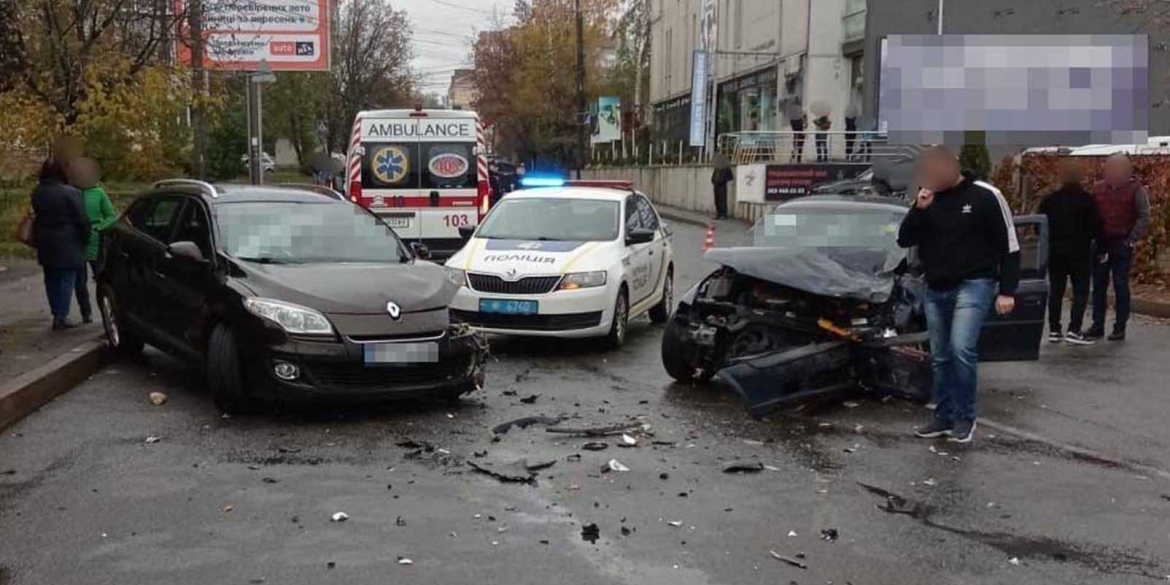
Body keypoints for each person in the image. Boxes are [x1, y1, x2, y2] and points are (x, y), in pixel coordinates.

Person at [897, 146, 1020, 444]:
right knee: (940, 356)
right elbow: (904, 239)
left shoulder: (985, 195)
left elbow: (1010, 245)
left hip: (975, 283)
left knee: (961, 348)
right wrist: (918, 209)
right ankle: (943, 415)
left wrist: (1007, 290)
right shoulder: (929, 199)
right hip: (936, 285)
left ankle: (965, 417)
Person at [1086, 153, 1151, 341]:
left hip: (1122, 243)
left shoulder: (1136, 189)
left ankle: (1119, 327)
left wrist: (1131, 239)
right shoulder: (1097, 189)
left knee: (1120, 285)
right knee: (1098, 285)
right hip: (1101, 243)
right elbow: (1090, 215)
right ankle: (1097, 325)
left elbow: (1144, 216)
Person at [1037, 160, 1101, 345]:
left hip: (1055, 253)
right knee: (1080, 291)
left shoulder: (1049, 200)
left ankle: (1054, 330)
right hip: (1079, 253)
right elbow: (1096, 227)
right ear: (1080, 177)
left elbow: (1039, 227)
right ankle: (1074, 329)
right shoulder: (1087, 201)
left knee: (1056, 291)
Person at [31, 155, 90, 330]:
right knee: (67, 278)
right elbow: (82, 219)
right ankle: (61, 316)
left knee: (51, 278)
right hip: (68, 241)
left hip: (45, 239)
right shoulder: (70, 192)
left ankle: (57, 311)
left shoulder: (38, 191)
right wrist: (85, 238)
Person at [68, 157, 117, 324]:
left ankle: (106, 314)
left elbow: (111, 216)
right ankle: (86, 313)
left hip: (96, 241)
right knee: (79, 281)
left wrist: (100, 227)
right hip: (76, 241)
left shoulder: (99, 192)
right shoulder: (70, 191)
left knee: (102, 280)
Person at [711, 154, 733, 220]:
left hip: (722, 186)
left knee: (722, 201)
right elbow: (713, 175)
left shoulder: (726, 168)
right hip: (716, 186)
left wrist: (723, 180)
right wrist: (713, 180)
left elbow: (730, 177)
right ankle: (718, 214)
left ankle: (724, 215)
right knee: (717, 201)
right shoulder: (717, 168)